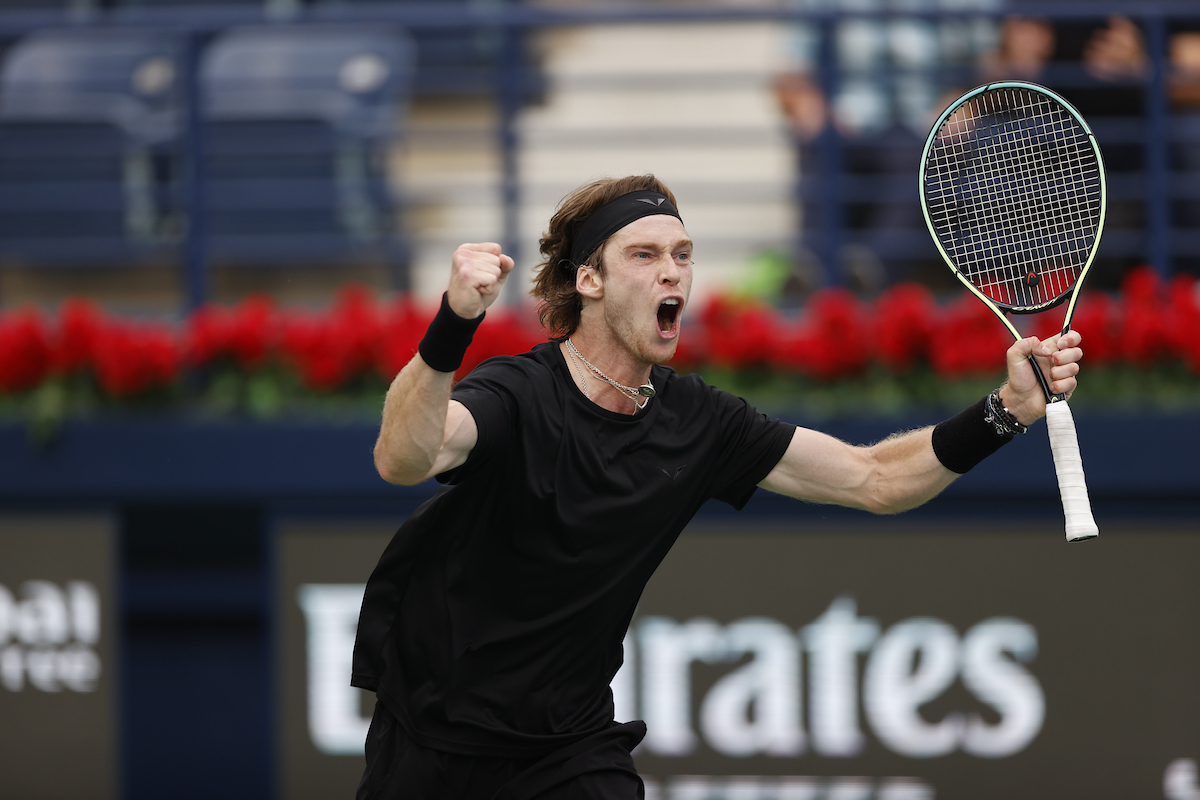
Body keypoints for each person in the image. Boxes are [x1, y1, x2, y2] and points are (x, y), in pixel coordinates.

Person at [353, 174, 1085, 799]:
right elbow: (403, 457)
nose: (673, 272)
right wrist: (453, 323)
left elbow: (875, 480)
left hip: (566, 748)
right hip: (431, 737)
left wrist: (1005, 412)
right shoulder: (516, 393)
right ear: (590, 280)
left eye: (682, 255)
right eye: (644, 255)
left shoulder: (699, 421)